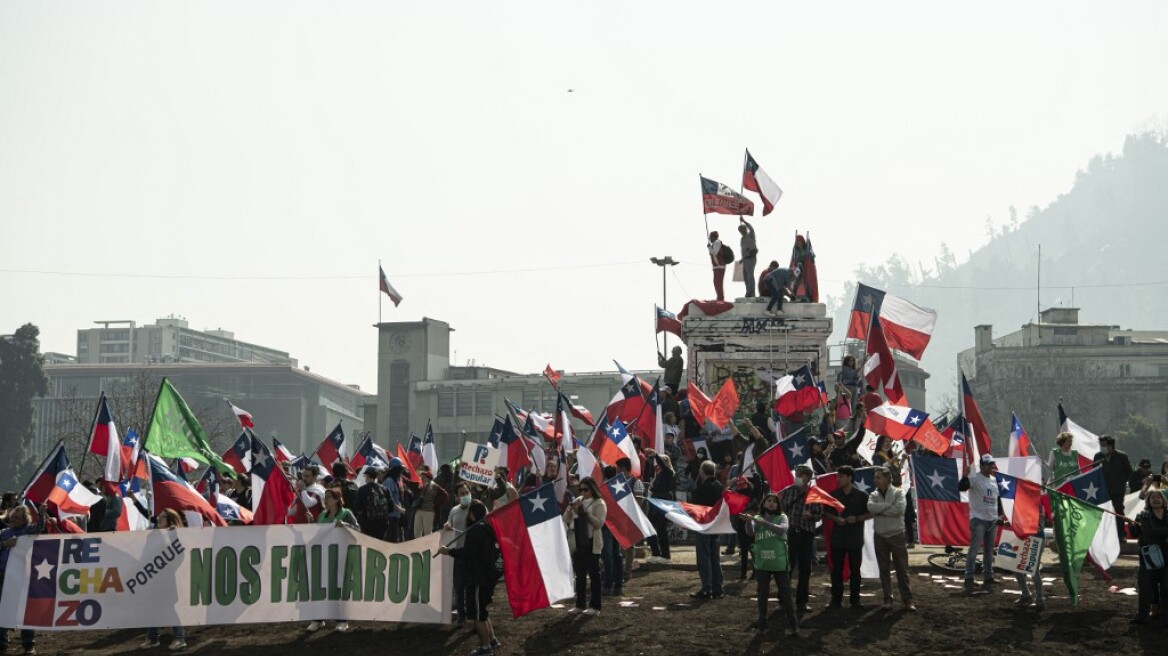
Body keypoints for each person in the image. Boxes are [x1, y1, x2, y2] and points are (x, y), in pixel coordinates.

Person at [438, 500, 502, 656]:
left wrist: (449, 552)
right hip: (486, 577)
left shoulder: (475, 531)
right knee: (483, 612)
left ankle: (486, 648)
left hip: (477, 578)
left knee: (478, 614)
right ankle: (492, 640)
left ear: (472, 514)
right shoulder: (488, 529)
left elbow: (468, 553)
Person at [745, 493, 799, 636]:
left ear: (778, 505)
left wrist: (762, 522)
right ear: (763, 504)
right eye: (768, 501)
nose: (771, 503)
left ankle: (794, 625)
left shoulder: (782, 517)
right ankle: (761, 626)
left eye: (774, 501)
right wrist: (747, 521)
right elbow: (750, 533)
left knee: (785, 593)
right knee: (762, 593)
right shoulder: (757, 519)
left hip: (779, 562)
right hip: (763, 562)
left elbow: (782, 529)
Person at [306, 489, 358, 633]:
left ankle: (342, 620)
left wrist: (346, 526)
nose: (325, 499)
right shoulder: (322, 515)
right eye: (325, 497)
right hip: (323, 556)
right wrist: (311, 521)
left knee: (338, 588)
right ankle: (318, 619)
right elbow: (317, 534)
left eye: (328, 497)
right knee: (320, 588)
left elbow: (358, 530)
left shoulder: (346, 513)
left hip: (341, 556)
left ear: (336, 499)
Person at [865, 467, 915, 611]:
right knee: (883, 569)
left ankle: (908, 600)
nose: (875, 480)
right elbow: (870, 508)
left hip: (896, 535)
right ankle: (888, 598)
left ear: (887, 479)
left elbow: (899, 510)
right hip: (880, 536)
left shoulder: (899, 492)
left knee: (902, 569)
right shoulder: (873, 494)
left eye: (878, 477)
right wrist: (888, 507)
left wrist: (880, 510)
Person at [823, 465, 870, 609]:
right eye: (837, 476)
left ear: (850, 477)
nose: (838, 479)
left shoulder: (862, 496)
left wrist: (856, 518)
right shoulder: (834, 495)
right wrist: (836, 519)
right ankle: (836, 600)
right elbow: (826, 513)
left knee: (855, 571)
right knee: (836, 570)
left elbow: (870, 514)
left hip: (855, 539)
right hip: (838, 539)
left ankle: (855, 600)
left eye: (841, 476)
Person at [778, 465, 823, 613]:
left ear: (808, 477)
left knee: (805, 568)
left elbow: (819, 514)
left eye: (800, 474)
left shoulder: (814, 493)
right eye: (796, 473)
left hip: (806, 533)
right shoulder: (788, 490)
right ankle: (783, 600)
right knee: (786, 567)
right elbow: (780, 510)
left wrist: (812, 516)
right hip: (790, 532)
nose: (797, 476)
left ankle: (802, 601)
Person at [141, 508, 188, 650]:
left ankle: (180, 638)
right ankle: (152, 638)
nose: (159, 519)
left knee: (169, 608)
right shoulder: (153, 535)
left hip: (167, 579)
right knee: (152, 608)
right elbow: (145, 554)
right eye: (159, 516)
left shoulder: (174, 535)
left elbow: (180, 555)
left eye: (163, 517)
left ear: (170, 520)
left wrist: (174, 535)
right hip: (154, 577)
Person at [959, 454, 1002, 592]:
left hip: (992, 519)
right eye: (988, 464)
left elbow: (998, 499)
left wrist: (999, 515)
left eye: (992, 464)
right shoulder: (975, 478)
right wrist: (965, 476)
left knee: (989, 551)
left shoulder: (995, 480)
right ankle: (969, 578)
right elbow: (961, 487)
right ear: (982, 465)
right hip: (978, 519)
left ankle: (988, 575)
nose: (991, 467)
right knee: (974, 549)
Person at [565, 477, 607, 615]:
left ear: (593, 489)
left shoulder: (599, 503)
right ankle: (580, 604)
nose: (583, 492)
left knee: (594, 575)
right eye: (581, 489)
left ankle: (595, 606)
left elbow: (599, 524)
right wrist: (570, 510)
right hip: (577, 542)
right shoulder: (579, 500)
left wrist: (586, 513)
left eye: (586, 489)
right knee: (580, 575)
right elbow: (566, 519)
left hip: (591, 543)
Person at [0, 505, 37, 654]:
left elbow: (41, 528)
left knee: (26, 610)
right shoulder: (3, 533)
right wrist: (4, 544)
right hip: (3, 575)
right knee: (2, 610)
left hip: (23, 574)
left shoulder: (30, 531)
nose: (13, 520)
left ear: (25, 520)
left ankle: (29, 645)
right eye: (12, 517)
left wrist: (42, 514)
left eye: (17, 518)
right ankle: (2, 645)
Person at [1129, 490, 1168, 626]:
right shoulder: (1143, 516)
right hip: (1148, 557)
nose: (1156, 499)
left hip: (1166, 556)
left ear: (1164, 501)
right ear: (1148, 501)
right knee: (1146, 588)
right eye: (1152, 497)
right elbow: (1146, 534)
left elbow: (1151, 532)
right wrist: (1133, 525)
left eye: (1159, 497)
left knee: (1166, 588)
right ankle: (1142, 617)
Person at [691, 460, 726, 599]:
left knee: (704, 557)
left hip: (703, 525)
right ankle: (718, 587)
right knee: (715, 557)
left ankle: (706, 588)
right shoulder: (719, 486)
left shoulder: (702, 487)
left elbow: (695, 506)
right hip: (715, 525)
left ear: (703, 472)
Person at [1093, 435, 1133, 545]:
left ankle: (1121, 535)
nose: (1102, 447)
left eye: (1104, 445)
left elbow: (1129, 472)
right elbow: (1094, 473)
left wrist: (1121, 482)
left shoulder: (1121, 456)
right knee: (1103, 512)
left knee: (1118, 511)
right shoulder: (1098, 456)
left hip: (1117, 490)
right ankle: (1103, 535)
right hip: (1103, 490)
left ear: (1111, 445)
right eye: (1101, 445)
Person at [444, 483, 474, 626]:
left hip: (474, 554)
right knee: (459, 586)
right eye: (462, 493)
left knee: (472, 587)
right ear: (457, 497)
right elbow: (448, 523)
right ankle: (461, 615)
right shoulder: (454, 510)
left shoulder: (477, 508)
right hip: (458, 553)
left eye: (466, 492)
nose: (465, 495)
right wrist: (447, 525)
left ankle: (474, 616)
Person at [644, 449, 676, 563]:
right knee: (649, 526)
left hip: (663, 503)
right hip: (655, 503)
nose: (658, 464)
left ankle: (665, 555)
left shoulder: (669, 473)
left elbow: (664, 466)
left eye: (660, 462)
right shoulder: (659, 475)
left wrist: (656, 455)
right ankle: (656, 552)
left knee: (661, 529)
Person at [353, 465, 391, 540]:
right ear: (376, 476)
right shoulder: (384, 489)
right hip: (382, 524)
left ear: (367, 475)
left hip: (367, 524)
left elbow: (357, 507)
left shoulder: (362, 489)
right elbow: (391, 507)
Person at [411, 466, 447, 538]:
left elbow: (445, 495)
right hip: (419, 510)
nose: (421, 478)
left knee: (427, 533)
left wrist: (436, 503)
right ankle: (419, 548)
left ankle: (427, 548)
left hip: (429, 511)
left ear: (427, 477)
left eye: (423, 477)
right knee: (417, 532)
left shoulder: (434, 486)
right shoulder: (420, 485)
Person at [382, 459, 408, 542]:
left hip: (397, 514)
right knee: (391, 539)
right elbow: (386, 497)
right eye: (400, 470)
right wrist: (396, 507)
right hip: (391, 515)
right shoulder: (389, 481)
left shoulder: (396, 481)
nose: (401, 472)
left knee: (397, 538)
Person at [738, 217, 759, 298]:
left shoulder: (751, 235)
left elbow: (751, 228)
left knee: (750, 275)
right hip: (745, 259)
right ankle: (748, 291)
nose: (742, 231)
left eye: (743, 229)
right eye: (740, 230)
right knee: (745, 276)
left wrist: (744, 221)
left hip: (751, 258)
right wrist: (742, 259)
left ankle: (752, 292)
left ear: (745, 229)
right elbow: (743, 251)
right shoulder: (742, 239)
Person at [708, 231, 727, 301]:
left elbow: (714, 253)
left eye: (710, 237)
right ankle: (719, 297)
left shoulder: (717, 242)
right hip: (717, 266)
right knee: (716, 282)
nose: (709, 239)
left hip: (719, 266)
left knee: (718, 282)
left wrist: (709, 247)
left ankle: (720, 298)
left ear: (713, 237)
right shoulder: (716, 243)